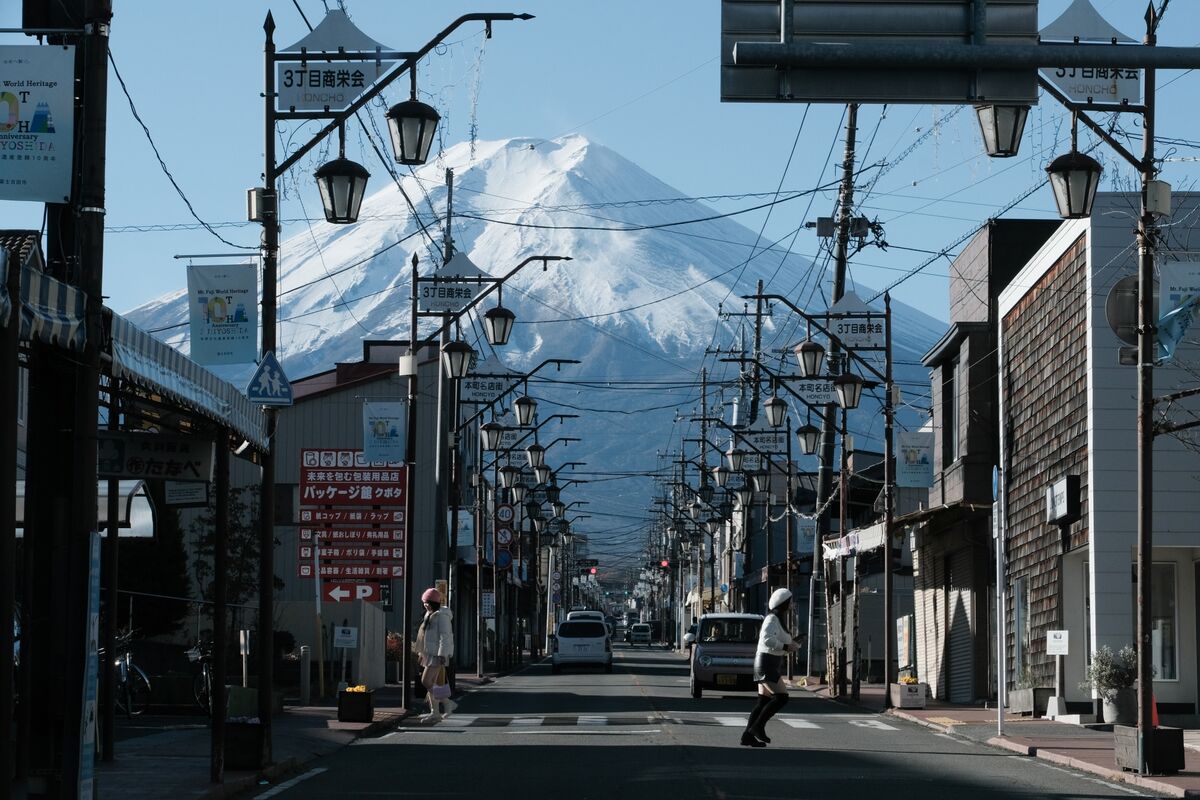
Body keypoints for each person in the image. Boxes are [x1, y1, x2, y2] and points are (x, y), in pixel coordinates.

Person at [741, 588, 801, 747]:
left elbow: (777, 643)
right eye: (790, 601)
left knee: (763, 701)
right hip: (766, 664)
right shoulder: (772, 619)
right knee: (782, 697)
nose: (792, 604)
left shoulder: (777, 619)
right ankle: (758, 727)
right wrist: (786, 647)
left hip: (768, 662)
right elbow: (767, 640)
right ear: (784, 603)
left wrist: (790, 645)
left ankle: (747, 736)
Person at [416, 587, 456, 722]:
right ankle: (436, 712)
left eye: (427, 602)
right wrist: (422, 653)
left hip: (437, 655)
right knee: (431, 683)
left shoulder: (441, 616)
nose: (424, 604)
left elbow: (445, 637)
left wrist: (442, 655)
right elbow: (425, 637)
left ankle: (447, 703)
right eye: (424, 602)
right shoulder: (430, 614)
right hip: (430, 654)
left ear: (433, 602)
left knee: (426, 681)